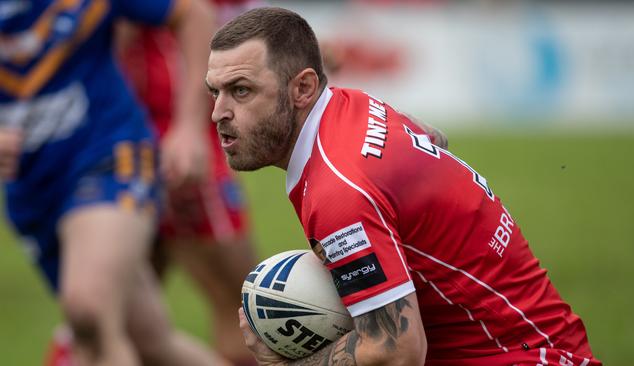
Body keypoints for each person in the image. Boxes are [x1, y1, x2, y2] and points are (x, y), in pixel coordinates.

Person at [205, 7, 601, 366]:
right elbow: (433, 137)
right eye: (214, 91)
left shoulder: (339, 189)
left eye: (241, 90)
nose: (218, 113)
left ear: (303, 89)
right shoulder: (352, 107)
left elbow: (397, 350)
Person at [0, 1, 229, 365]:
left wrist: (189, 126)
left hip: (109, 155)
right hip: (29, 189)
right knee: (151, 341)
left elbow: (194, 16)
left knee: (88, 309)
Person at [115, 1, 261, 364]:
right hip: (175, 151)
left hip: (170, 146)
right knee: (245, 309)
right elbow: (108, 50)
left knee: (115, 312)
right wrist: (179, 132)